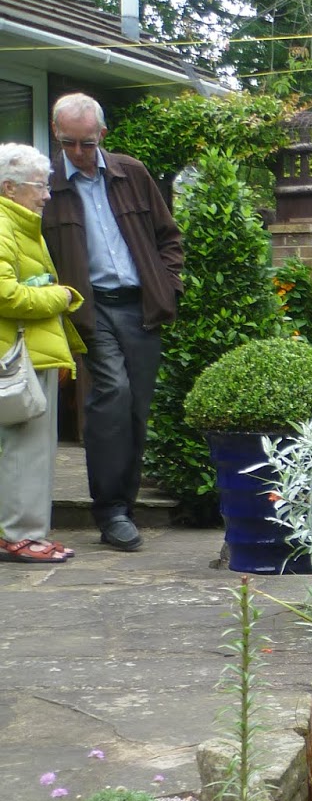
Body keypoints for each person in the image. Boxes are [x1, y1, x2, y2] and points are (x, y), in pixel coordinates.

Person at [41, 92, 184, 554]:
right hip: (89, 307)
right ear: (56, 134)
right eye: (68, 143)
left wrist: (169, 285)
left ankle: (124, 502)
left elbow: (169, 237)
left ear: (102, 135)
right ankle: (112, 512)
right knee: (112, 394)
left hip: (140, 307)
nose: (78, 153)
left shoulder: (132, 173)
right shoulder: (47, 186)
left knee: (136, 407)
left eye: (86, 142)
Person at [0, 144, 84, 563]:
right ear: (8, 187)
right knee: (26, 450)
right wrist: (60, 295)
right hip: (18, 359)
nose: (47, 194)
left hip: (31, 353)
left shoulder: (19, 224)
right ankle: (20, 537)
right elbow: (4, 294)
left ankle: (23, 533)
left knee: (30, 449)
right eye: (39, 185)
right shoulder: (3, 225)